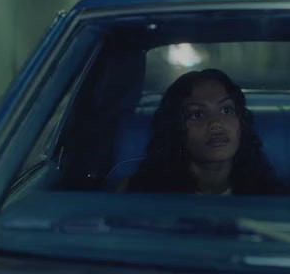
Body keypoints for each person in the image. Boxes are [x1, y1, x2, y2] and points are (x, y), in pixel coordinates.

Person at [119, 68, 280, 195]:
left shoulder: (269, 192)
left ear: (241, 121)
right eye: (197, 114)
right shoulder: (139, 191)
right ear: (176, 127)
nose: (216, 124)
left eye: (226, 110)